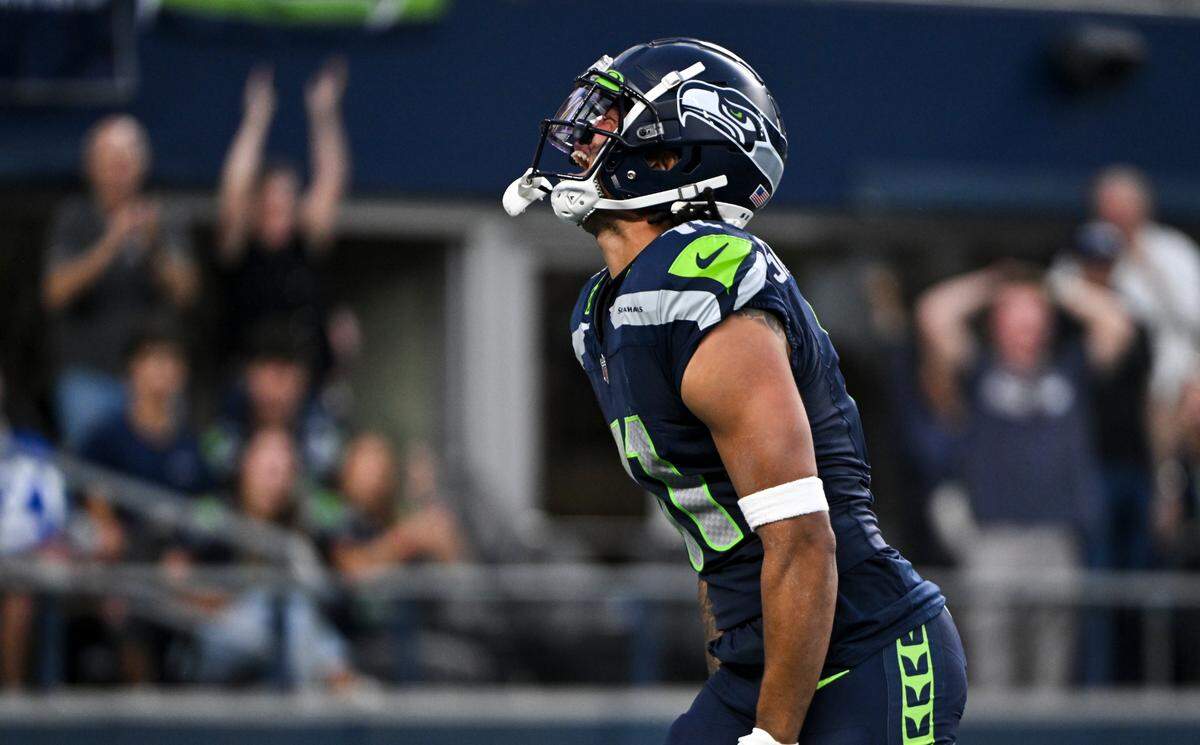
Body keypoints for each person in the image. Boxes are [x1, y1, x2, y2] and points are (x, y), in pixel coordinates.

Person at [503, 39, 965, 745]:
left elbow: (803, 536)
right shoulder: (603, 312)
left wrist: (772, 737)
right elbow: (711, 530)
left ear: (671, 154)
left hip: (866, 656)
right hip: (771, 661)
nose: (584, 131)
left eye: (612, 117)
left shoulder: (704, 281)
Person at [916, 260, 1135, 688]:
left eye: (1034, 319)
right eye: (1015, 318)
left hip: (1057, 541)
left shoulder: (1069, 372)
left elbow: (1118, 325)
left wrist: (1058, 287)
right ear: (997, 323)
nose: (1026, 329)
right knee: (992, 679)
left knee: (1051, 683)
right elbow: (933, 314)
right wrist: (994, 282)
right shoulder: (978, 372)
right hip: (992, 544)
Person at [42, 115, 199, 448]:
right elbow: (55, 292)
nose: (120, 170)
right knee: (93, 482)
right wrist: (110, 243)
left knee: (156, 483)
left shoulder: (162, 216)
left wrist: (153, 248)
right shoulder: (75, 217)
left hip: (155, 380)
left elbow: (186, 292)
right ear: (91, 167)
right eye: (111, 161)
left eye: (127, 160)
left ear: (143, 165)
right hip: (90, 376)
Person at [185, 427, 354, 689]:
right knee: (290, 615)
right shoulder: (218, 522)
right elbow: (183, 585)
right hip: (214, 639)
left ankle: (335, 691)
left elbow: (324, 595)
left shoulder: (297, 532)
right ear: (245, 467)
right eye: (268, 470)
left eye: (283, 472)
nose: (274, 482)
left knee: (300, 618)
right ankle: (335, 696)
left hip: (284, 640)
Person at [216, 60, 350, 375]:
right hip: (249, 382)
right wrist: (256, 119)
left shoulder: (304, 245)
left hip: (307, 380)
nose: (279, 202)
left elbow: (331, 181)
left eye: (288, 195)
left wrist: (324, 114)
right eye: (270, 195)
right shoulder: (240, 250)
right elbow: (234, 190)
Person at [1091, 167, 1200, 451]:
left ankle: (1168, 489)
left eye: (1123, 205)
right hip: (1108, 385)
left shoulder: (1172, 249)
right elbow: (1059, 285)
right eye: (1109, 205)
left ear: (1142, 207)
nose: (1116, 214)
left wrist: (1147, 265)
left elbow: (1194, 316)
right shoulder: (1088, 249)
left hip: (1170, 383)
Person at [330, 434, 463, 580]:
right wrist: (405, 540)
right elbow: (354, 569)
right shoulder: (339, 522)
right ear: (348, 475)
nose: (377, 480)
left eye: (382, 470)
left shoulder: (389, 520)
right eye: (368, 471)